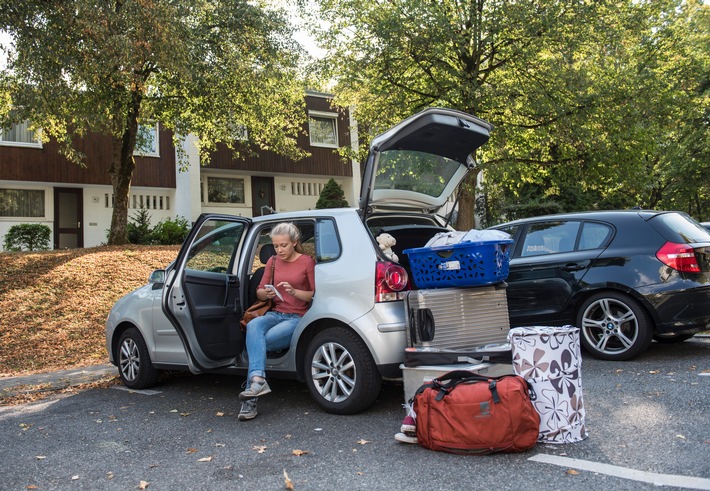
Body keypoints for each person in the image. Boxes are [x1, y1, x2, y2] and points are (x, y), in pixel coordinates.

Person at [238, 222, 315, 421]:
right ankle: (258, 380)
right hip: (275, 313)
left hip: (297, 318)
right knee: (254, 326)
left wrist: (294, 292)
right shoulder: (272, 262)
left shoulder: (307, 262)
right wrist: (266, 292)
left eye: (284, 245)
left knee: (258, 342)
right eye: (276, 245)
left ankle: (250, 398)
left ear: (294, 243)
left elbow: (315, 295)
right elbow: (260, 292)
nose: (279, 250)